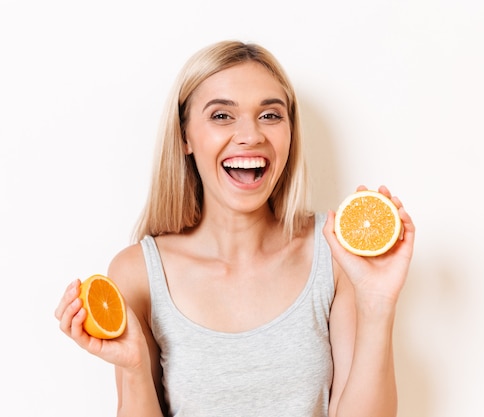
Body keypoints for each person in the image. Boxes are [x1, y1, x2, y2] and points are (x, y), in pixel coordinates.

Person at [55, 40, 415, 417]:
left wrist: (376, 305)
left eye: (271, 115)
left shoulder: (334, 252)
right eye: (222, 116)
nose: (251, 135)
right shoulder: (139, 272)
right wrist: (133, 370)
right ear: (185, 137)